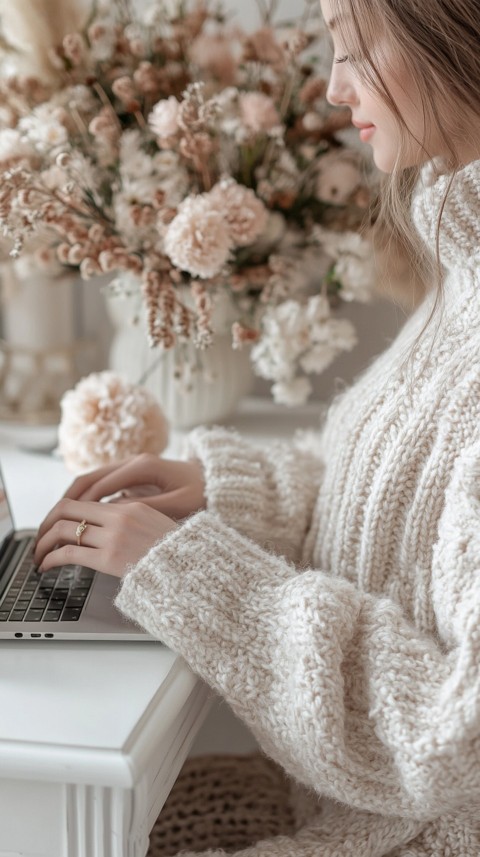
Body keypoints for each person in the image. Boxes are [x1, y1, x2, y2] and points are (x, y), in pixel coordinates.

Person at [35, 0, 480, 854]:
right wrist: (233, 492)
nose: (332, 83)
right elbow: (409, 495)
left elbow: (449, 733)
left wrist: (199, 577)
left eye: (352, 47)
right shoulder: (462, 266)